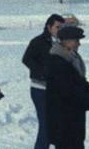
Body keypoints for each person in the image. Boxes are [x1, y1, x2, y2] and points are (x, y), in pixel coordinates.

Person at [45, 25, 89, 149]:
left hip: (72, 122)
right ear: (66, 41)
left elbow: (81, 82)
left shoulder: (72, 59)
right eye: (76, 40)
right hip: (64, 123)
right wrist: (88, 100)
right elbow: (68, 91)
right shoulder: (57, 62)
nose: (79, 44)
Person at [22, 13, 65, 149]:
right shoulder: (38, 42)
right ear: (49, 27)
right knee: (46, 125)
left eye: (62, 27)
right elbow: (27, 59)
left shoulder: (63, 43)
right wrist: (42, 72)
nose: (60, 30)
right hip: (40, 89)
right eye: (58, 27)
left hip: (57, 90)